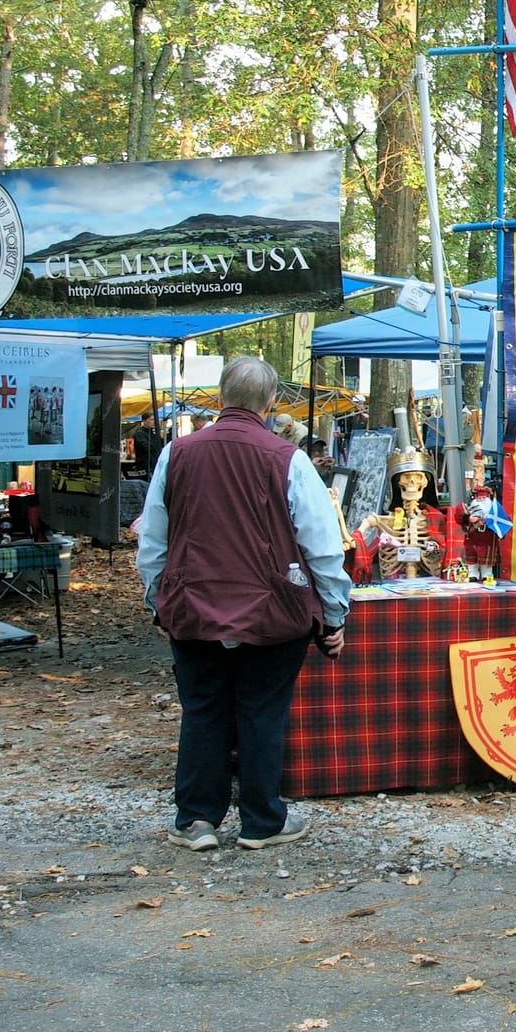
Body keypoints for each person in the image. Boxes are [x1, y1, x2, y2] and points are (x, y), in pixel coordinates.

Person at [136, 355, 351, 853]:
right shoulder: (288, 458)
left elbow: (153, 541)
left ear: (220, 396)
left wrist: (158, 601)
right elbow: (321, 546)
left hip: (194, 608)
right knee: (261, 712)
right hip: (271, 613)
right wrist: (334, 614)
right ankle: (261, 820)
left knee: (203, 710)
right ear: (271, 403)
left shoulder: (177, 453)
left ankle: (196, 820)